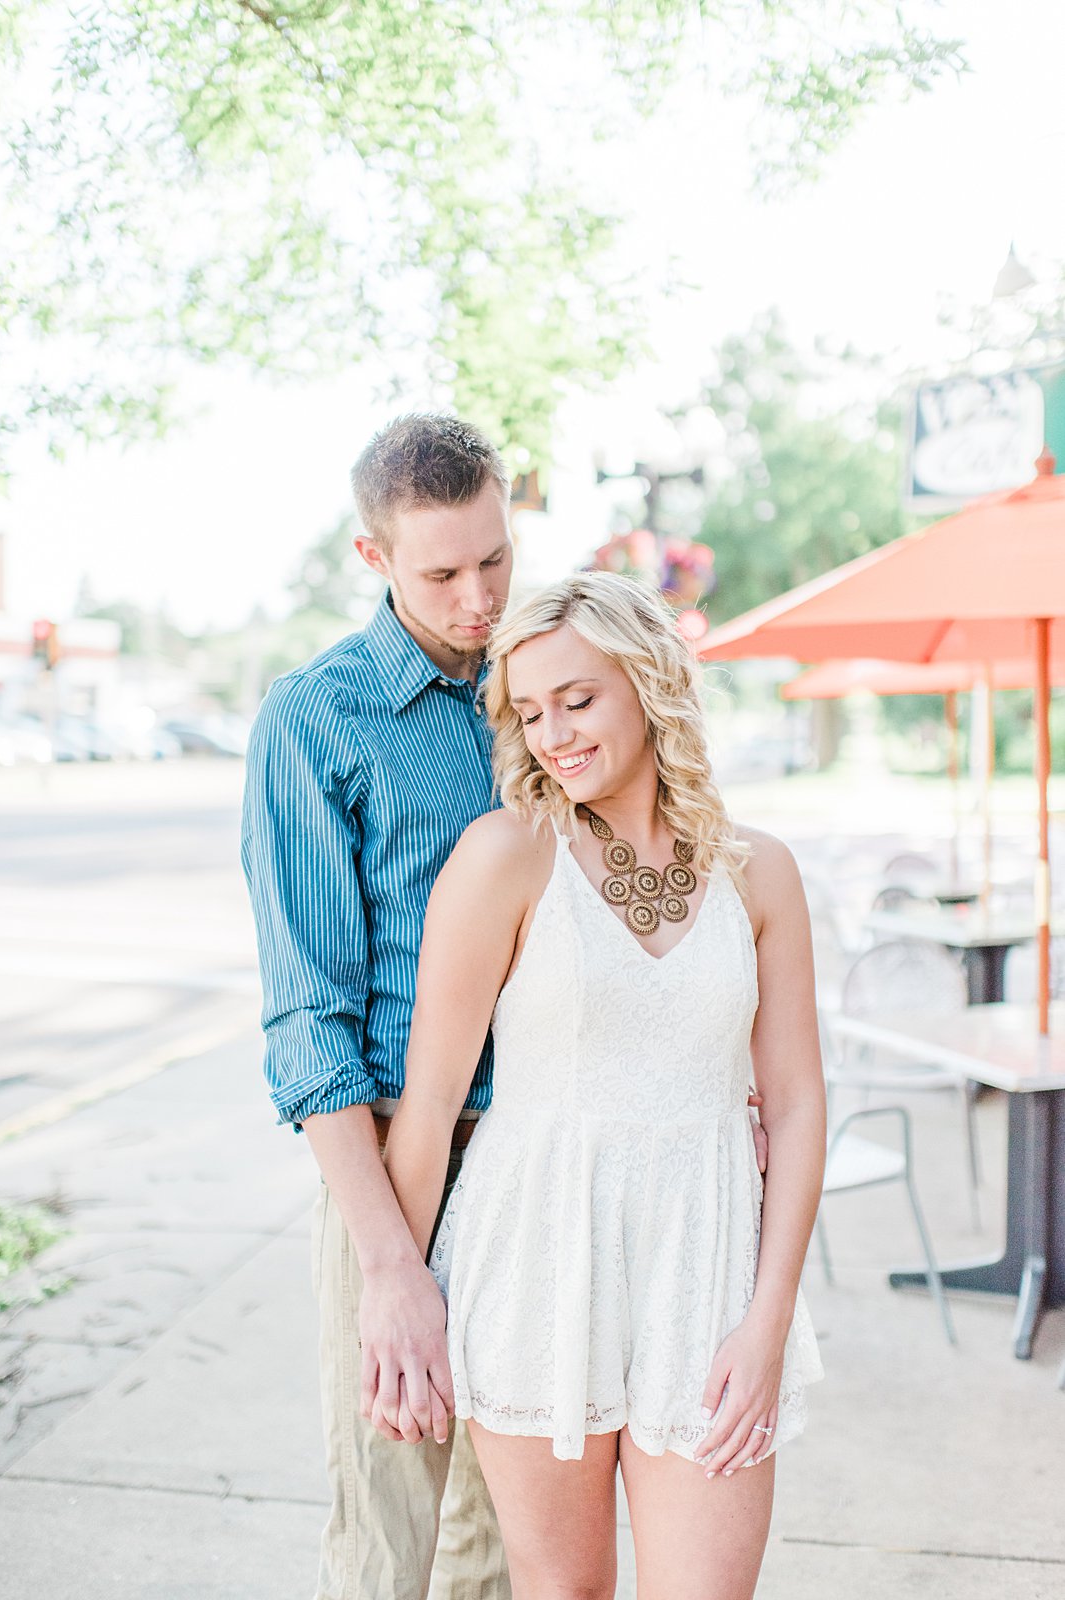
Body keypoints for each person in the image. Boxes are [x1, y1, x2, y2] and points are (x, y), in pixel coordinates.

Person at [380, 571, 825, 1600]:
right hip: (538, 1265)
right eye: (530, 712)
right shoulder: (506, 858)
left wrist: (768, 1320)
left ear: (650, 683)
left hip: (708, 1273)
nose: (554, 735)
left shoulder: (762, 873)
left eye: (577, 700)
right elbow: (434, 1100)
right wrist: (392, 1296)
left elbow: (797, 1103)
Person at [241, 414, 517, 1600]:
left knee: (507, 1542)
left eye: (496, 560)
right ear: (373, 558)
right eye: (441, 572)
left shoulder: (541, 687)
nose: (476, 599)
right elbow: (311, 1019)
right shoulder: (317, 718)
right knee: (388, 1541)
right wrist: (390, 1267)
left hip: (546, 1157)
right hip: (402, 1156)